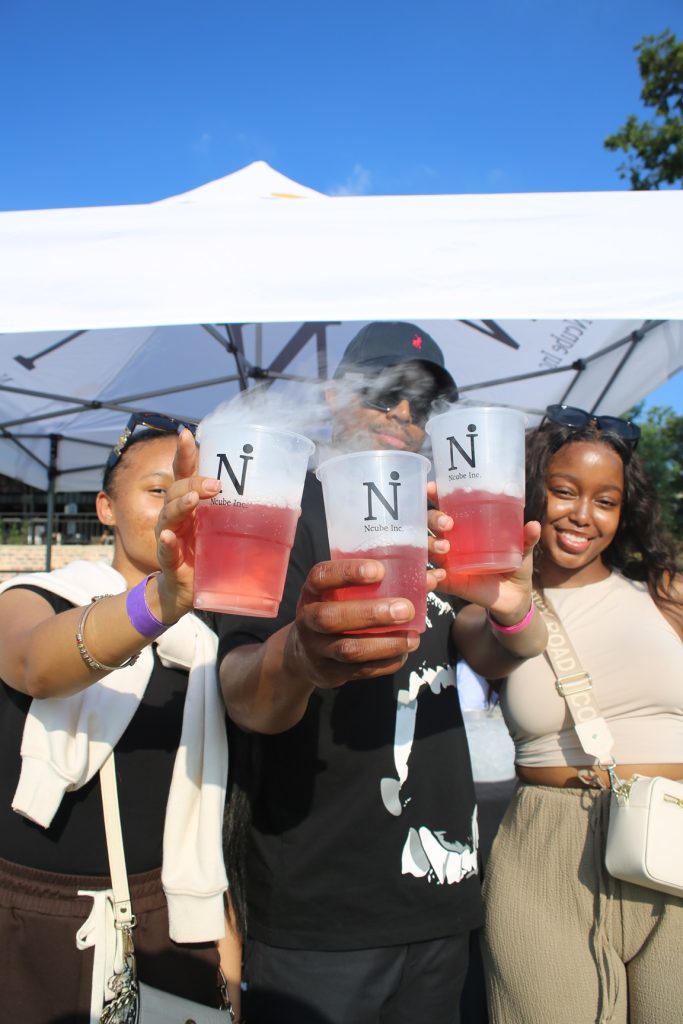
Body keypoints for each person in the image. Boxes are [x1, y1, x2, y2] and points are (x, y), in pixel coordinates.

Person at [216, 321, 549, 1024]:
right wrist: (300, 656)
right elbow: (244, 693)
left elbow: (479, 648)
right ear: (335, 394)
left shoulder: (440, 518)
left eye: (421, 404)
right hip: (320, 904)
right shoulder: (285, 507)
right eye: (387, 393)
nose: (404, 415)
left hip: (440, 891)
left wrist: (512, 610)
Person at [0, 414, 241, 1023]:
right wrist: (160, 600)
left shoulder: (209, 639)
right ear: (105, 508)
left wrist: (228, 960)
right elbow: (35, 665)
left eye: (194, 493)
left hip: (173, 920)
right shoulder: (36, 596)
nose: (179, 507)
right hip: (37, 921)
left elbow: (216, 814)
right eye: (159, 490)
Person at [480, 405, 683, 1024]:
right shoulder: (489, 604)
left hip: (672, 838)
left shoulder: (666, 594)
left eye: (606, 500)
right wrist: (511, 606)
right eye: (564, 491)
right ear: (531, 490)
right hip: (545, 855)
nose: (582, 515)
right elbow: (493, 648)